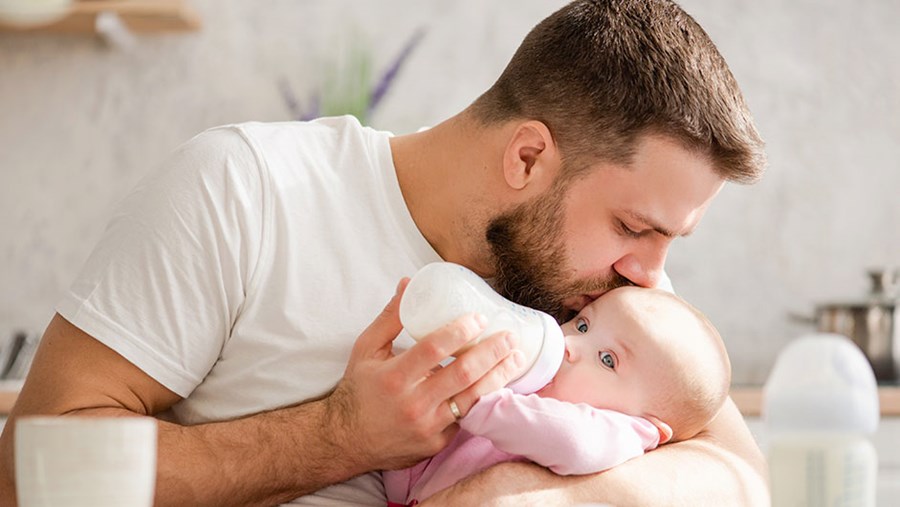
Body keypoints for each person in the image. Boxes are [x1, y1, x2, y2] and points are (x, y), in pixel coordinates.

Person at [0, 0, 768, 505]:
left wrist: (512, 490)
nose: (654, 275)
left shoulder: (595, 294)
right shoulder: (246, 190)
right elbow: (29, 470)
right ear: (529, 158)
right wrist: (334, 437)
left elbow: (739, 476)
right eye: (637, 227)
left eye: (669, 239)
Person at [383, 286, 732, 505]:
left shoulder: (620, 434)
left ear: (649, 427)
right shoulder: (525, 389)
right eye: (582, 324)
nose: (571, 345)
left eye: (608, 360)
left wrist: (476, 401)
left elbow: (570, 439)